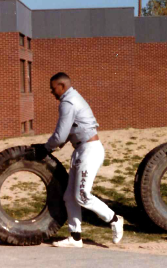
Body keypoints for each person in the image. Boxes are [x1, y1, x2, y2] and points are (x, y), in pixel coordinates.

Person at [38, 72, 123, 248]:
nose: (52, 92)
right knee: (70, 196)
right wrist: (49, 146)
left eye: (53, 89)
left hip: (89, 150)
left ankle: (114, 219)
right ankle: (75, 237)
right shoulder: (72, 99)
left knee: (82, 195)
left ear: (61, 86)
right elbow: (68, 132)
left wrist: (45, 148)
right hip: (81, 150)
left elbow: (61, 135)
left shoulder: (68, 102)